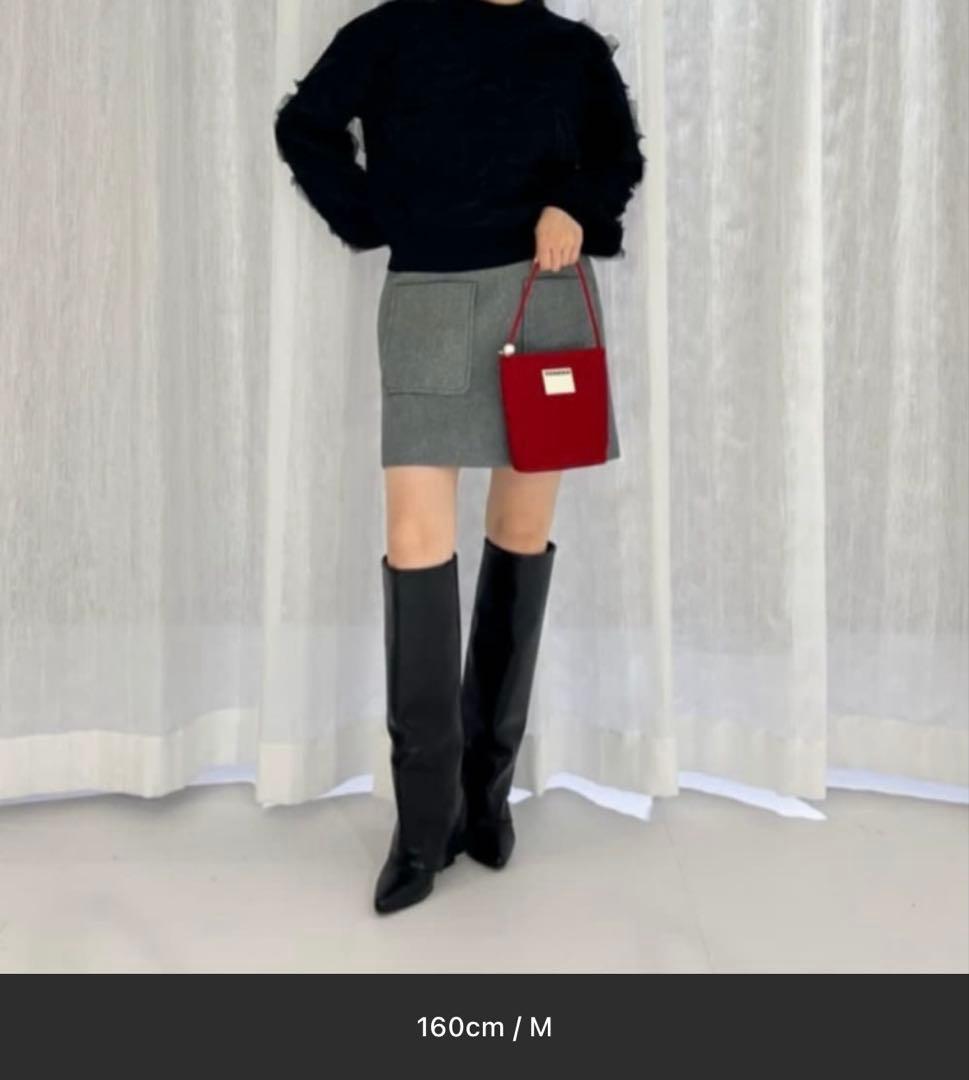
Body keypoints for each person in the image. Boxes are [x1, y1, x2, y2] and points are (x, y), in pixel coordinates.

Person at [274, 0, 645, 915]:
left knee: (519, 531)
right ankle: (422, 821)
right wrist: (374, 215)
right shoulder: (390, 33)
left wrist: (572, 204)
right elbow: (306, 125)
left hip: (543, 300)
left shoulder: (571, 51)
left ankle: (484, 794)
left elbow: (617, 156)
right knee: (414, 540)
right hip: (428, 303)